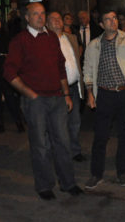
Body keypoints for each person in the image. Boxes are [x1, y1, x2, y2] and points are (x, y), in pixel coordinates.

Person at [3, 2, 83, 200]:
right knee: (40, 145)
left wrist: (66, 94)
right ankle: (44, 185)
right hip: (36, 102)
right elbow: (9, 72)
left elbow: (60, 67)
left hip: (57, 98)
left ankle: (68, 183)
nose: (40, 17)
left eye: (42, 13)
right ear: (27, 18)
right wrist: (30, 94)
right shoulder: (20, 40)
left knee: (63, 142)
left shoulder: (51, 38)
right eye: (35, 14)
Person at [83, 7, 125, 189]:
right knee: (100, 136)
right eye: (108, 19)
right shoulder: (94, 45)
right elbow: (88, 69)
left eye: (114, 18)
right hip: (104, 94)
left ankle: (122, 172)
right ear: (101, 24)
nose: (113, 21)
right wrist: (89, 93)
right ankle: (96, 174)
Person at [46, 11, 85, 162]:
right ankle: (57, 152)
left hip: (74, 86)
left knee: (75, 122)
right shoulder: (45, 41)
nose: (57, 21)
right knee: (57, 123)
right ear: (47, 24)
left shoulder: (71, 38)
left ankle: (74, 151)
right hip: (57, 89)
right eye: (53, 19)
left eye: (59, 18)